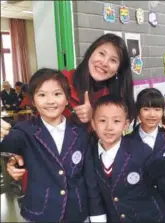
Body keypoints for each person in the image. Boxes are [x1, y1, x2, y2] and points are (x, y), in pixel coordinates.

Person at [3, 33, 136, 181]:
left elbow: (116, 140)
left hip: (92, 173)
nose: (104, 62)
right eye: (101, 53)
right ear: (91, 52)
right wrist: (17, 154)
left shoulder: (117, 98)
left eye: (113, 60)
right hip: (49, 171)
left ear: (118, 68)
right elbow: (33, 126)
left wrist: (96, 116)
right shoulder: (60, 81)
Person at [0, 68, 106, 222]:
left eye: (57, 94)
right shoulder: (24, 130)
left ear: (67, 98)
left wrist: (97, 215)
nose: (50, 101)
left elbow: (90, 178)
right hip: (41, 212)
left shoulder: (80, 132)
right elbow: (7, 143)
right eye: (42, 95)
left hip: (77, 212)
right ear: (33, 100)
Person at [90, 94, 165, 222]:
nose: (109, 127)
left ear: (125, 125)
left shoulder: (141, 150)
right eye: (102, 120)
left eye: (116, 121)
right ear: (93, 123)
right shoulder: (90, 154)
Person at [130, 88, 165, 215]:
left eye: (157, 109)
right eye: (146, 109)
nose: (152, 115)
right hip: (139, 207)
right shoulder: (126, 141)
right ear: (138, 112)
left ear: (163, 112)